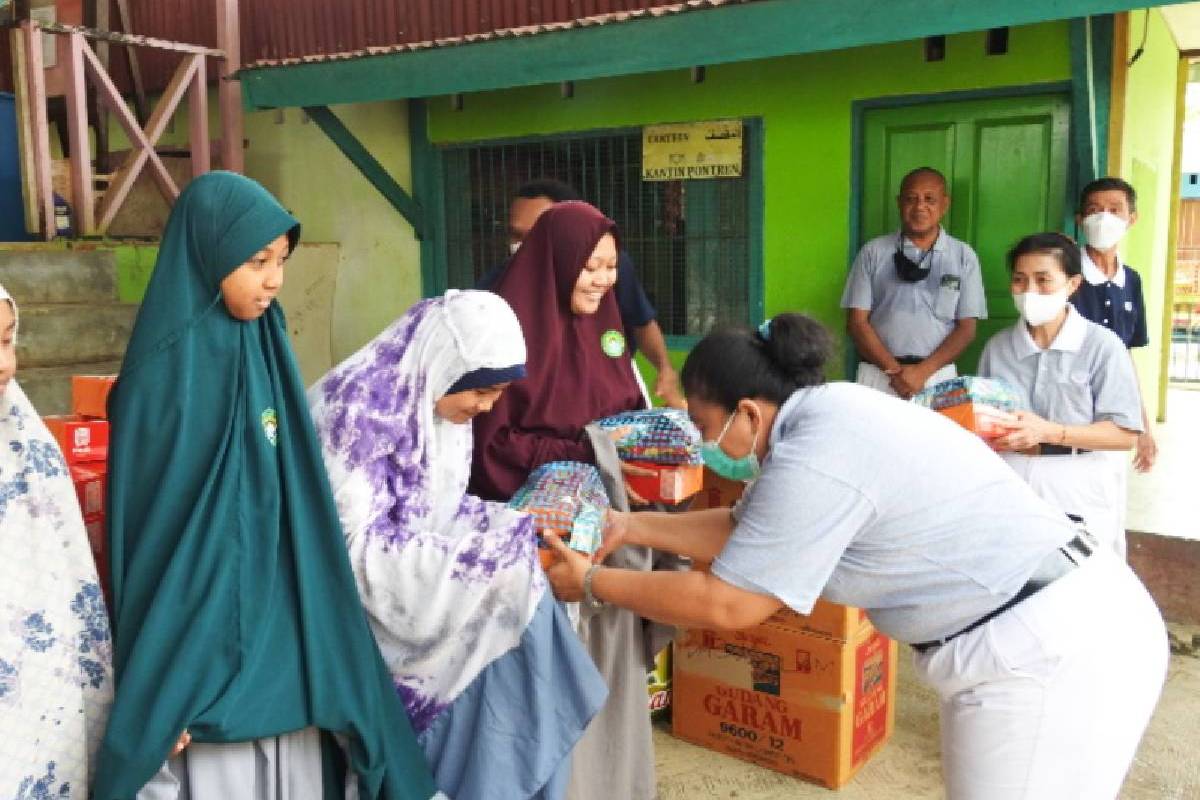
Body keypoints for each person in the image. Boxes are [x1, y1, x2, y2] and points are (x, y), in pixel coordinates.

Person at [542, 312, 1167, 800]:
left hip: (1053, 651)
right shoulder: (827, 416)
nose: (708, 450)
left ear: (749, 411)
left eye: (707, 430)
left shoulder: (819, 451)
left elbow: (731, 603)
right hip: (1046, 625)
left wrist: (594, 583)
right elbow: (745, 529)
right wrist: (628, 526)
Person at [94, 172, 443, 800]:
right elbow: (156, 530)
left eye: (281, 260)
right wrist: (169, 669)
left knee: (298, 727)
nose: (274, 279)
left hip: (278, 591)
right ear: (208, 253)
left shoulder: (264, 337)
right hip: (197, 615)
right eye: (257, 262)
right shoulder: (160, 375)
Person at [307, 289, 607, 800]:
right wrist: (481, 563)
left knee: (529, 598)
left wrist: (510, 527)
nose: (488, 406)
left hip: (418, 589)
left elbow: (440, 509)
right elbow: (348, 558)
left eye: (498, 394)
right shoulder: (356, 415)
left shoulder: (437, 405)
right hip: (350, 614)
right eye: (483, 392)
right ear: (448, 364)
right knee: (518, 603)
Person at [470, 201, 658, 800]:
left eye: (610, 266)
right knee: (548, 688)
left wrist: (640, 445)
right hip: (538, 552)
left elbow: (630, 407)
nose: (603, 280)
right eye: (590, 267)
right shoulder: (506, 333)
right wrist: (585, 449)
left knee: (609, 681)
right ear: (556, 262)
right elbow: (491, 444)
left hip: (606, 540)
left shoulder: (607, 330)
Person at [0, 283, 113, 796]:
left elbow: (69, 578)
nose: (4, 364)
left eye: (7, 341)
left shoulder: (27, 443)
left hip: (41, 695)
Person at [980, 232, 1144, 557]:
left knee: (1081, 582)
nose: (1029, 292)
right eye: (1019, 280)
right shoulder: (998, 348)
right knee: (1015, 580)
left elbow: (1124, 435)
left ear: (1072, 284)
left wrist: (1050, 432)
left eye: (1043, 280)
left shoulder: (1102, 346)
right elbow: (984, 423)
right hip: (1011, 480)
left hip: (1078, 482)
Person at [478, 178, 685, 409]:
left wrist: (665, 368)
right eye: (516, 235)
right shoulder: (496, 289)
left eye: (537, 235)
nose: (526, 246)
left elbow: (641, 321)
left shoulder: (604, 269)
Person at [842, 167, 987, 398]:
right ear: (899, 203)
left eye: (929, 199)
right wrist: (894, 371)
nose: (920, 206)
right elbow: (857, 322)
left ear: (945, 204)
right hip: (880, 376)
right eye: (911, 199)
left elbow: (967, 328)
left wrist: (922, 372)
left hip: (937, 375)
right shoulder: (873, 252)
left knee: (935, 435)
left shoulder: (963, 256)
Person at [1071, 177, 1157, 473]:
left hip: (1113, 417)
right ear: (1080, 220)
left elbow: (1126, 357)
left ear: (1131, 219)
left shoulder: (1131, 281)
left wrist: (1143, 426)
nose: (1103, 218)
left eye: (1114, 209)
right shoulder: (1063, 274)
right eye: (1094, 210)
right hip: (1069, 411)